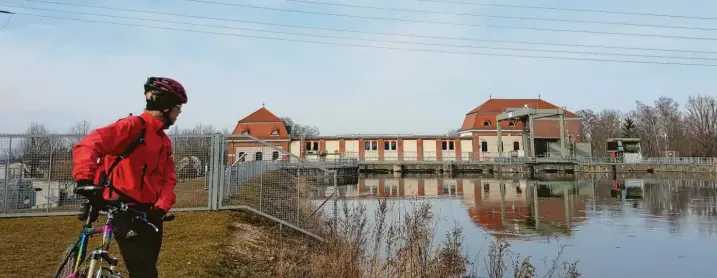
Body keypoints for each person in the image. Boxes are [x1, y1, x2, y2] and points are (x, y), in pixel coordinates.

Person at [71, 77, 188, 278]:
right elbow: (89, 144)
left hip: (150, 214)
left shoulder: (164, 141)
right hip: (122, 208)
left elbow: (169, 179)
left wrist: (161, 207)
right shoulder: (132, 126)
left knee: (147, 270)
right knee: (145, 274)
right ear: (164, 106)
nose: (179, 113)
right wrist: (85, 179)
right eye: (178, 107)